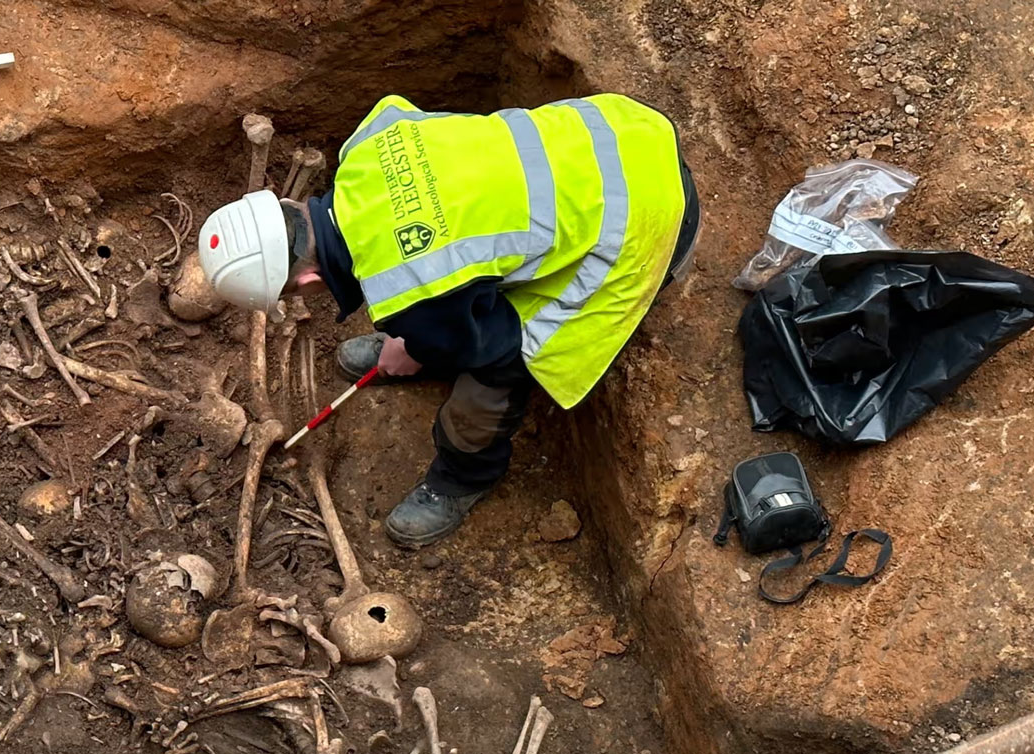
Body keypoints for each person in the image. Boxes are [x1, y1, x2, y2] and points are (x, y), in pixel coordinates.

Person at [197, 93, 702, 547]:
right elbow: (446, 216)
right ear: (285, 205)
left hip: (649, 220)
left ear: (307, 283)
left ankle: (465, 476)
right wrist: (416, 332)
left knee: (505, 358)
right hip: (623, 132)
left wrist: (424, 343)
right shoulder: (367, 142)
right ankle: (428, 335)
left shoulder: (408, 287)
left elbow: (487, 346)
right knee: (451, 287)